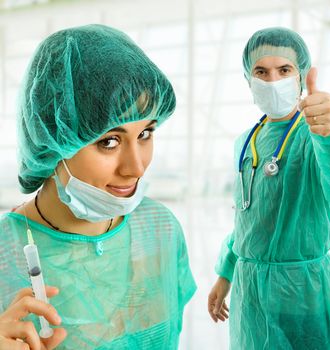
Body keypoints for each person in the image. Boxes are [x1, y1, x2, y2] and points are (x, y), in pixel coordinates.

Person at [0, 24, 196, 349]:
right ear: (52, 138)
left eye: (145, 134)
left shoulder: (160, 228)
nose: (136, 167)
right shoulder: (5, 253)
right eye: (109, 141)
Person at [207, 27, 330, 349]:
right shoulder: (246, 142)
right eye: (261, 71)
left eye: (284, 70)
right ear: (248, 79)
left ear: (300, 77)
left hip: (304, 294)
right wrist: (226, 273)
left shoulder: (318, 133)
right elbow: (248, 219)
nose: (272, 80)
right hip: (250, 291)